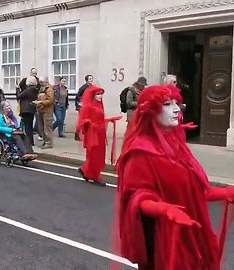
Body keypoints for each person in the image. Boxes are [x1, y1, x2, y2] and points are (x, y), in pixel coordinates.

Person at [114, 85, 234, 270]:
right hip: (165, 241)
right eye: (167, 104)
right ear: (150, 111)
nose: (177, 109)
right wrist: (163, 209)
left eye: (176, 103)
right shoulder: (140, 151)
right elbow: (136, 197)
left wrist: (226, 192)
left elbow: (194, 191)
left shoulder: (177, 146)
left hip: (192, 234)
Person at [76, 85, 121, 186]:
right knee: (94, 154)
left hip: (99, 133)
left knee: (98, 153)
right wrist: (91, 124)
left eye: (101, 94)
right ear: (93, 95)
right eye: (98, 94)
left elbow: (100, 120)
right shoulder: (89, 106)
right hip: (93, 133)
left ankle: (86, 170)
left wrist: (111, 119)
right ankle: (95, 175)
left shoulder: (99, 105)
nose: (100, 96)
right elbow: (85, 121)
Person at [33, 76, 54, 149]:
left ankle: (49, 143)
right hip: (41, 110)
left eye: (42, 82)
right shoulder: (41, 89)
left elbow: (50, 100)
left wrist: (40, 102)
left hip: (47, 111)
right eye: (40, 82)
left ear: (46, 82)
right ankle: (45, 141)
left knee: (47, 127)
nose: (41, 84)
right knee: (41, 127)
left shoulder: (49, 89)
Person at [17, 76, 39, 146]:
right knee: (30, 125)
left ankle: (29, 142)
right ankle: (31, 141)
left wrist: (17, 89)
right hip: (32, 109)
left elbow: (19, 96)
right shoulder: (35, 89)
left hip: (26, 110)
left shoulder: (28, 90)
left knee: (27, 127)